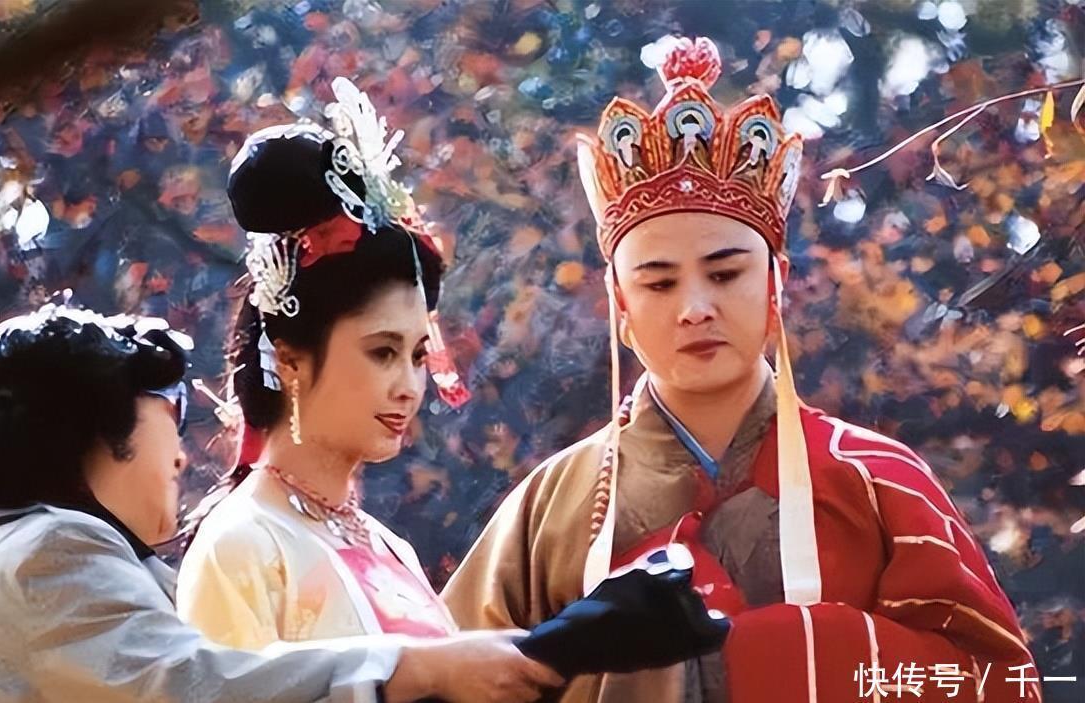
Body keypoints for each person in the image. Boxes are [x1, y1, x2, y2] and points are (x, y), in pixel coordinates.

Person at [444, 36, 1041, 703]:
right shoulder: (548, 505)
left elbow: (996, 680)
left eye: (726, 274)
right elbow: (445, 679)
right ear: (620, 303)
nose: (696, 308)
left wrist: (769, 649)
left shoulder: (876, 480)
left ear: (776, 281)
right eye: (659, 283)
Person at [0, 302, 566, 703]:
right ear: (93, 432)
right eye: (170, 420)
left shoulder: (8, 560)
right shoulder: (48, 552)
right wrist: (413, 666)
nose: (179, 458)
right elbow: (199, 688)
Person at [173, 77, 563, 703]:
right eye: (382, 352)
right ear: (291, 358)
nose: (409, 386)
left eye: (418, 356)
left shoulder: (389, 546)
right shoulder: (243, 544)